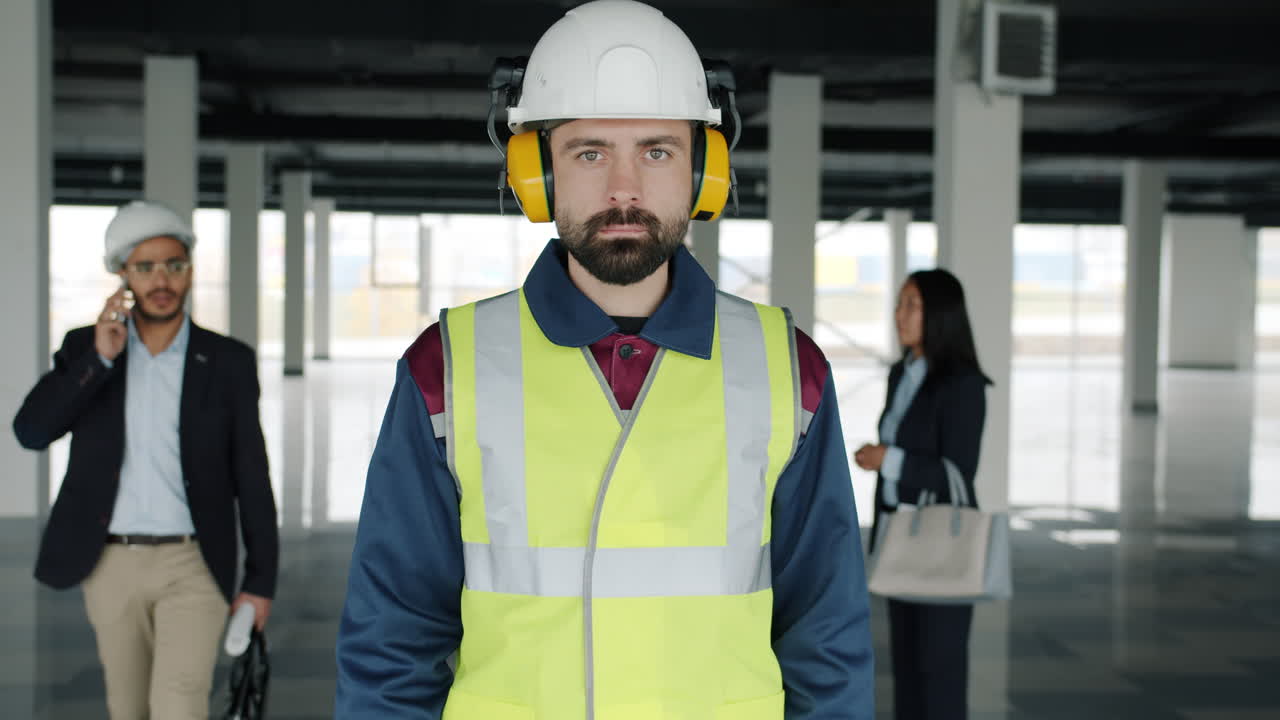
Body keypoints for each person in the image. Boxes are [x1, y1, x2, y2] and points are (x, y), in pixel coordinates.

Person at [335, 1, 874, 718]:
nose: (624, 189)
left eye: (657, 151)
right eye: (590, 152)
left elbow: (826, 635)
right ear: (538, 173)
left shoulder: (788, 370)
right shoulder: (448, 370)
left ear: (704, 171)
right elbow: (390, 641)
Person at [12, 200, 279, 720]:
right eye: (146, 267)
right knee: (127, 708)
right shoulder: (85, 350)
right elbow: (32, 431)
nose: (162, 280)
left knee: (178, 705)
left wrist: (260, 580)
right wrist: (100, 359)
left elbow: (252, 474)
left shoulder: (227, 361)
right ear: (122, 274)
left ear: (191, 271)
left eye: (174, 265)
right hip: (110, 563)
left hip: (194, 564)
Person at [853, 269, 992, 720]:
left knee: (940, 671)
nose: (899, 314)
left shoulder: (963, 385)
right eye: (899, 303)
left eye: (912, 304)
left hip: (939, 544)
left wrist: (887, 459)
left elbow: (958, 470)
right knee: (908, 667)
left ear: (940, 315)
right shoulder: (901, 373)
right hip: (900, 535)